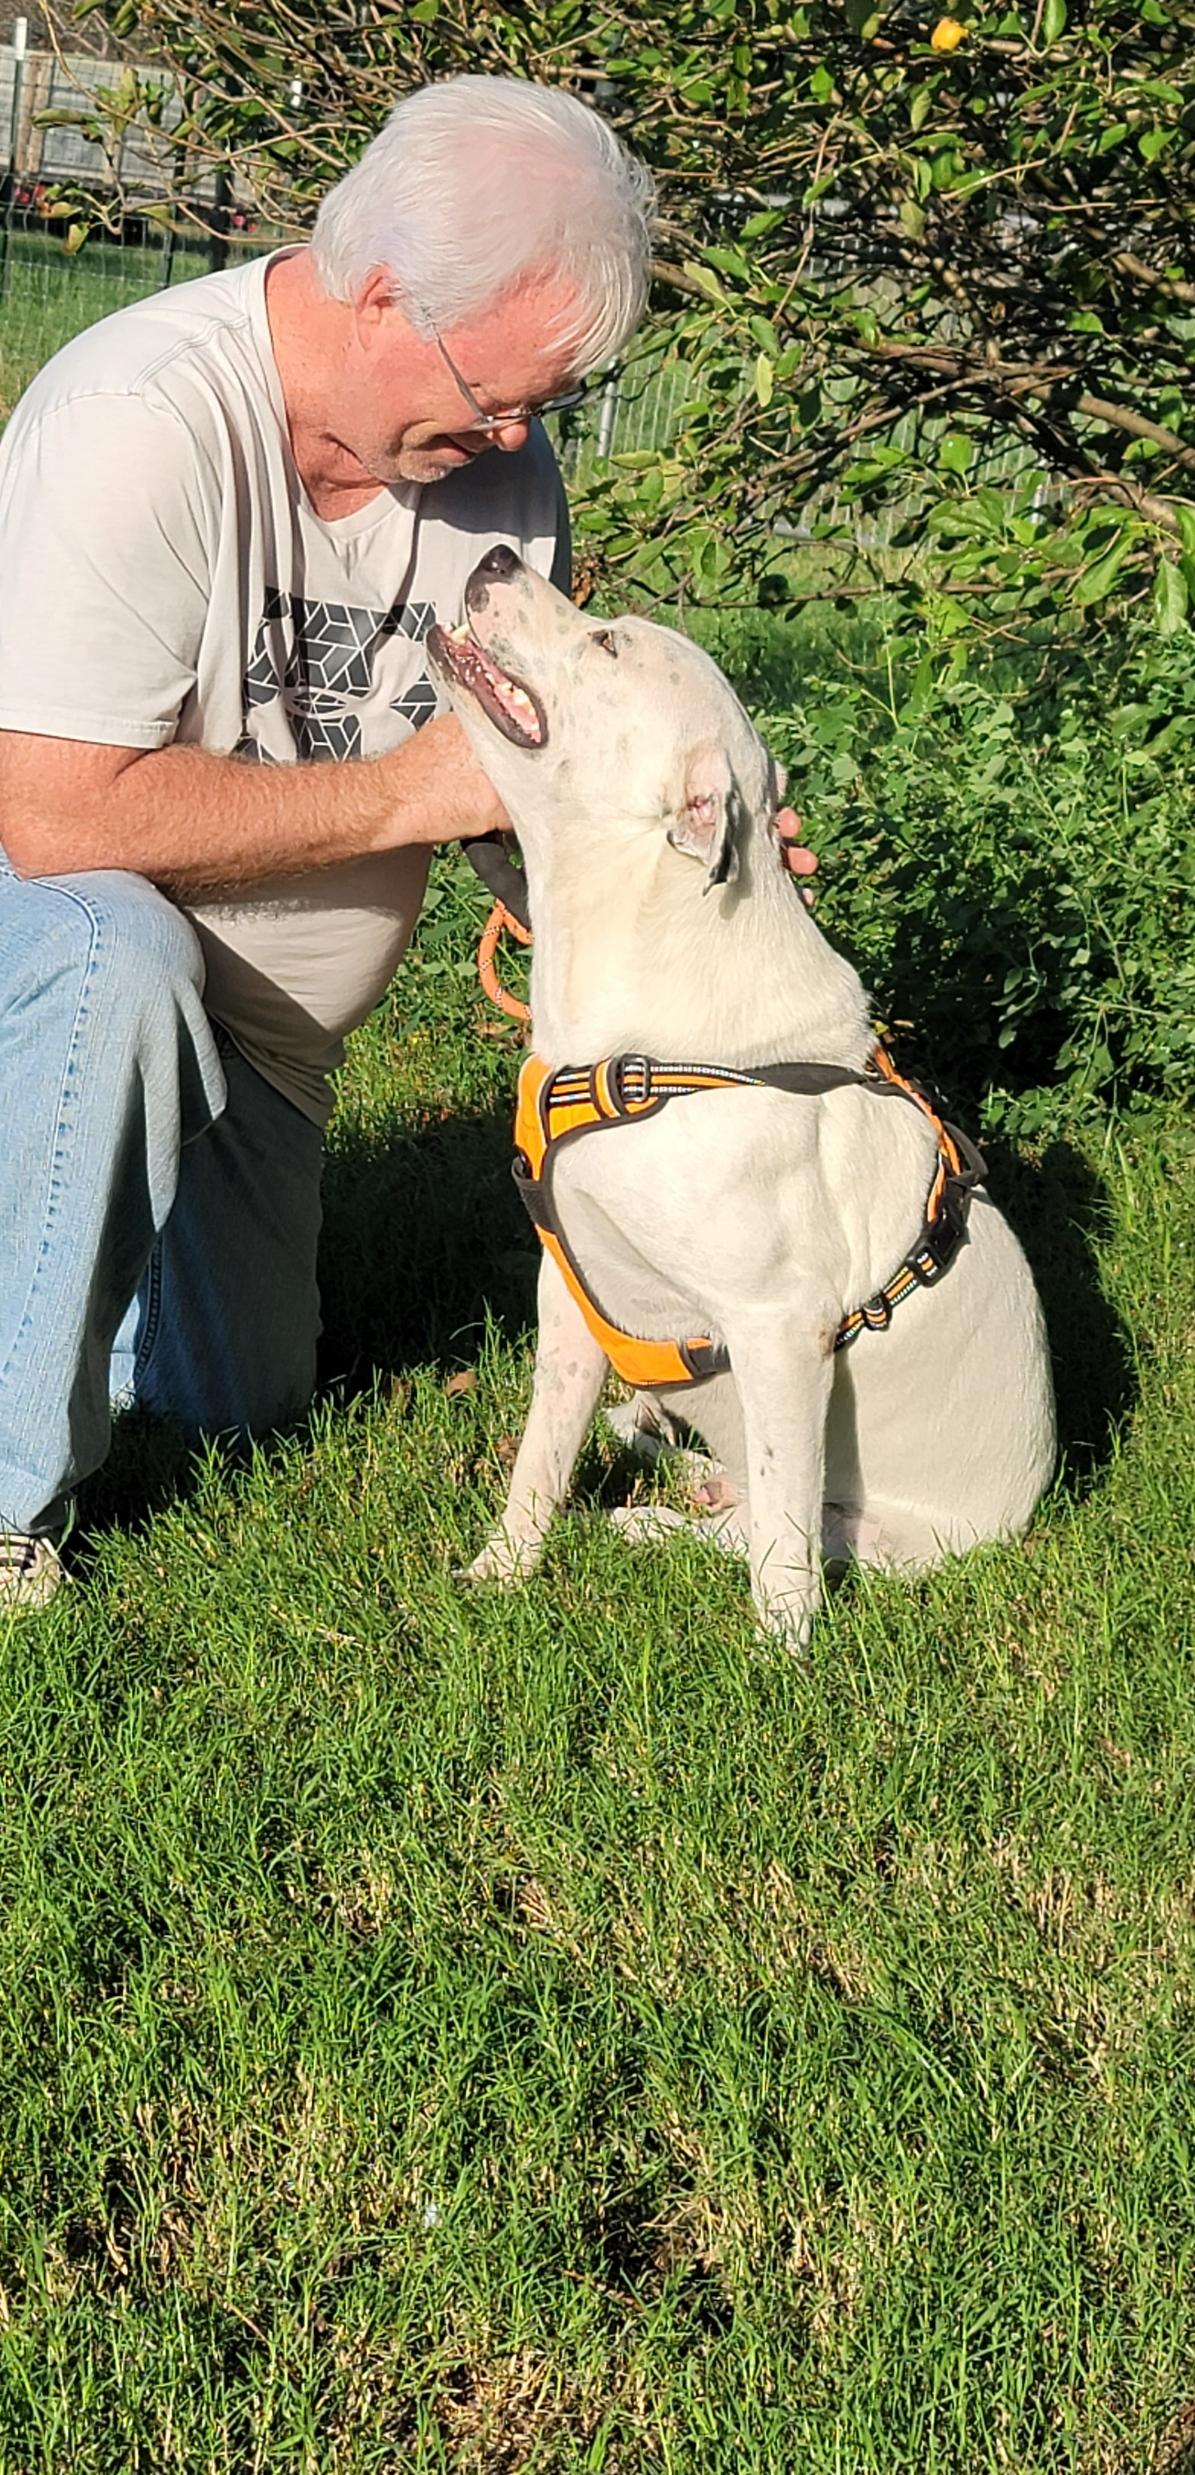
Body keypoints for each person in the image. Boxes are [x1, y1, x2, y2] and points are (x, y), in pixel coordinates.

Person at [0, 73, 813, 1608]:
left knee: (240, 1409)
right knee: (119, 961)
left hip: (270, 1048)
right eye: (496, 392)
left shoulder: (487, 470)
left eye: (543, 407)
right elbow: (51, 817)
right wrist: (421, 796)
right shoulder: (140, 422)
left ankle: (72, 1250)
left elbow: (516, 798)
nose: (514, 435)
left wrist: (684, 876)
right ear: (379, 290)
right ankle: (3, 1502)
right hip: (54, 944)